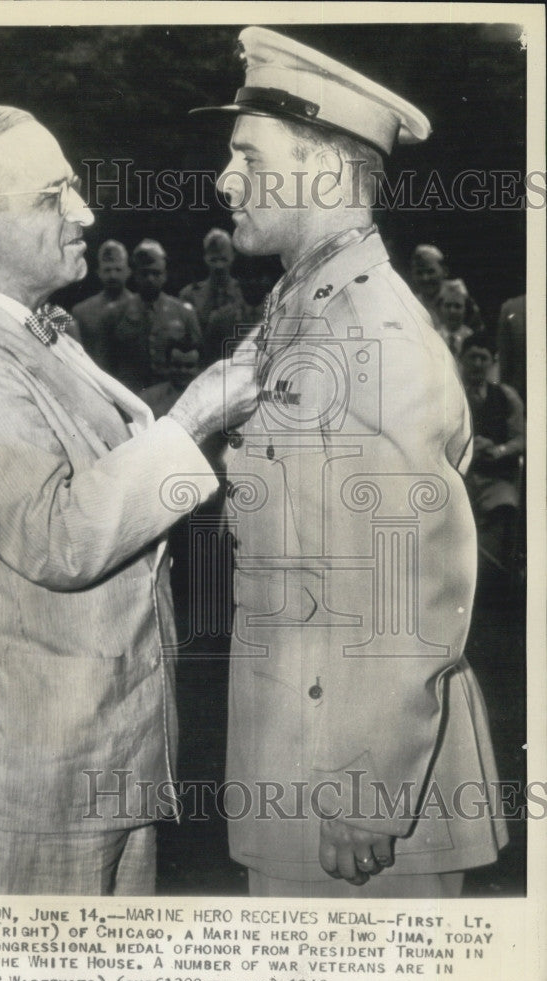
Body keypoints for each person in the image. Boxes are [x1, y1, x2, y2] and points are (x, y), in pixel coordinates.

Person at [0, 104, 258, 895]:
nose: (84, 213)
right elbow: (59, 538)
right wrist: (195, 415)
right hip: (23, 775)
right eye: (52, 196)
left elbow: (109, 472)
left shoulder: (22, 333)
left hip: (89, 753)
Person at [193, 26, 507, 897]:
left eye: (248, 159)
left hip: (360, 799)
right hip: (299, 755)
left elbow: (408, 583)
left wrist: (365, 790)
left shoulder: (372, 337)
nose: (224, 183)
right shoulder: (303, 312)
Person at [460, 332, 525, 578]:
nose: (477, 364)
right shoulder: (448, 393)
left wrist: (498, 450)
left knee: (504, 503)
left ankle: (491, 577)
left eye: (483, 358)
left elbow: (521, 439)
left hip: (494, 479)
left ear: (492, 362)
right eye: (472, 357)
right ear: (461, 359)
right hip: (461, 477)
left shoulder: (506, 397)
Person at [101, 239, 201, 391]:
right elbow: (106, 365)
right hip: (130, 397)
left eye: (156, 273)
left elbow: (197, 361)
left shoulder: (184, 313)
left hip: (170, 398)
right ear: (135, 275)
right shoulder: (114, 314)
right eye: (144, 273)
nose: (150, 279)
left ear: (165, 275)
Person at [71, 239, 133, 364]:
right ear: (99, 273)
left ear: (128, 272)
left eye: (118, 269)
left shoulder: (141, 307)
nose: (113, 276)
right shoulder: (82, 312)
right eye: (107, 270)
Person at [179, 228, 245, 333]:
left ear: (233, 257)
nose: (219, 266)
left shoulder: (244, 293)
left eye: (224, 259)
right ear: (205, 258)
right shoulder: (190, 296)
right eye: (213, 260)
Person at [436, 277, 474, 358]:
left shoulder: (472, 338)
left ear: (466, 310)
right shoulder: (434, 336)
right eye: (447, 306)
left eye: (457, 306)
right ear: (440, 309)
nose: (452, 311)